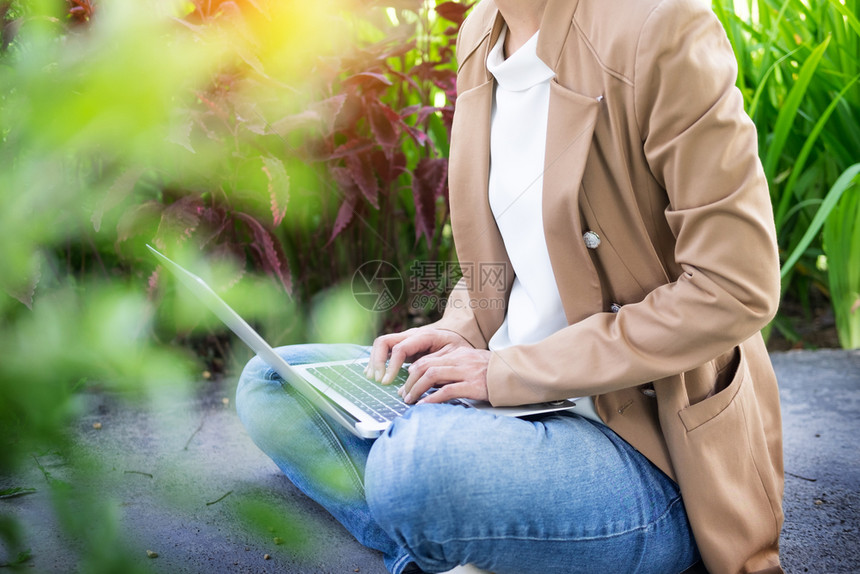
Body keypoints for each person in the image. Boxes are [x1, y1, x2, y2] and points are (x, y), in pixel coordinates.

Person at [236, 0, 786, 572]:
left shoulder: (662, 27)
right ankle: (458, 545)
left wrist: (507, 373)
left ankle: (456, 529)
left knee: (414, 470)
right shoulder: (482, 33)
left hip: (646, 449)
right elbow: (508, 253)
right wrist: (459, 330)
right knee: (274, 383)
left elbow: (734, 286)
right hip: (506, 409)